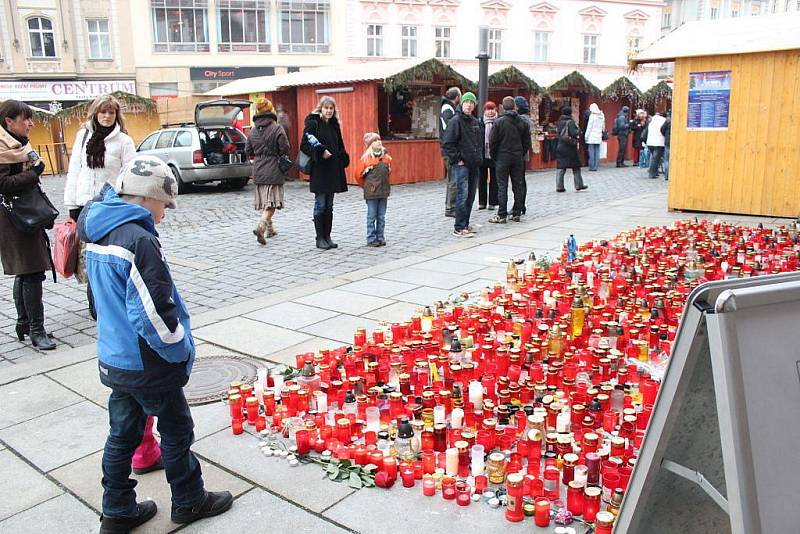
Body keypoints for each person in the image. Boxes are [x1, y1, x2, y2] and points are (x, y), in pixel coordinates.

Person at [78, 155, 233, 534]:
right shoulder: (139, 240)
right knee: (177, 429)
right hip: (149, 363)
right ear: (148, 198)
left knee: (121, 434)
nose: (165, 213)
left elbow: (98, 301)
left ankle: (116, 511)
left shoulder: (99, 229)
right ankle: (189, 499)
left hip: (115, 358)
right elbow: (153, 313)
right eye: (166, 204)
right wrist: (179, 351)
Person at [64, 94, 136, 320]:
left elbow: (130, 174)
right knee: (89, 257)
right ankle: (95, 304)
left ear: (116, 115)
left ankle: (112, 301)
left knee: (110, 254)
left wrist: (127, 205)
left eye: (111, 112)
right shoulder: (84, 136)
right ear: (96, 113)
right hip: (87, 205)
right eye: (103, 112)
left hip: (111, 206)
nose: (107, 116)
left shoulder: (123, 141)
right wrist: (72, 204)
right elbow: (75, 170)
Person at [0, 99, 56, 351]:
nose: (31, 123)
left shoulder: (19, 145)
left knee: (27, 271)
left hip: (25, 214)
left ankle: (24, 324)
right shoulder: (2, 147)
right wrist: (34, 173)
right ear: (8, 121)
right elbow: (3, 185)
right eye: (25, 119)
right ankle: (36, 330)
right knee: (32, 271)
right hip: (13, 218)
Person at [300, 96, 350, 250]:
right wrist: (320, 153)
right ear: (320, 108)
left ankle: (327, 237)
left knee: (329, 206)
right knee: (321, 204)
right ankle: (319, 238)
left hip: (333, 170)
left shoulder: (334, 125)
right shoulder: (313, 123)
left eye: (331, 108)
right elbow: (304, 145)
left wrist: (342, 156)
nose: (328, 111)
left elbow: (339, 145)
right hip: (320, 170)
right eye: (326, 108)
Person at [246, 98, 289, 245]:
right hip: (273, 170)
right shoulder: (277, 128)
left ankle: (270, 229)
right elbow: (285, 147)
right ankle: (261, 226)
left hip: (258, 170)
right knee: (271, 205)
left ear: (257, 111)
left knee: (266, 201)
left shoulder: (252, 131)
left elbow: (248, 151)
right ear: (271, 110)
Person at [442, 91, 482, 238]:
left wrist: (479, 158)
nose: (469, 105)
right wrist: (458, 159)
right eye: (466, 102)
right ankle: (459, 227)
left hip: (474, 164)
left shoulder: (474, 121)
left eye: (471, 103)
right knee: (462, 195)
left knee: (471, 196)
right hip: (462, 164)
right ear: (462, 103)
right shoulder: (455, 121)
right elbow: (447, 144)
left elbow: (478, 143)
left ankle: (465, 223)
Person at [489, 96, 531, 224]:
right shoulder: (523, 122)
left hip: (502, 157)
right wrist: (520, 153)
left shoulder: (499, 122)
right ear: (515, 106)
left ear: (503, 106)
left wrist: (494, 156)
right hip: (517, 158)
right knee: (517, 185)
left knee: (502, 186)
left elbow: (493, 142)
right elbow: (526, 143)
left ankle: (502, 214)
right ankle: (517, 213)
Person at [355, 132, 392, 247]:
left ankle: (380, 237)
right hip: (371, 192)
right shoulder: (366, 159)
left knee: (381, 216)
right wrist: (366, 187)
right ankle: (371, 238)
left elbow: (389, 173)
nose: (378, 142)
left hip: (383, 192)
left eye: (379, 140)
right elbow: (358, 175)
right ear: (370, 145)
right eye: (375, 141)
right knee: (371, 216)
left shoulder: (386, 158)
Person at [555, 106, 588, 193]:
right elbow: (574, 133)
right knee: (576, 167)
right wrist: (579, 131)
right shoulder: (570, 122)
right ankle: (579, 184)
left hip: (560, 146)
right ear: (570, 113)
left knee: (561, 167)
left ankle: (559, 186)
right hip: (570, 147)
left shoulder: (559, 122)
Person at [439, 87, 461, 218]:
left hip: (447, 148)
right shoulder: (448, 108)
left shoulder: (448, 107)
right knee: (453, 179)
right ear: (457, 97)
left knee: (452, 179)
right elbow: (450, 129)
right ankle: (450, 207)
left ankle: (450, 205)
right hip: (449, 149)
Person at [514, 96, 534, 215]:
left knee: (519, 181)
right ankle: (521, 204)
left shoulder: (521, 120)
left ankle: (520, 204)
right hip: (522, 153)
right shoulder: (527, 119)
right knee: (521, 180)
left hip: (519, 154)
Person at [479, 101, 498, 210]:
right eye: (488, 109)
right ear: (484, 111)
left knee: (494, 179)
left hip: (494, 154)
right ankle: (482, 202)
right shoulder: (480, 122)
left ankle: (492, 202)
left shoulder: (498, 122)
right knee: (482, 178)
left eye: (492, 109)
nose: (490, 111)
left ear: (496, 110)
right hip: (482, 154)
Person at [644, 111, 667, 179]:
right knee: (656, 159)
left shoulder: (651, 121)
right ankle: (652, 173)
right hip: (659, 142)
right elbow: (663, 130)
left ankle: (654, 172)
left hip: (650, 142)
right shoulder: (663, 121)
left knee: (654, 158)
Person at [584, 103, 605, 172]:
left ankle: (592, 166)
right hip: (598, 136)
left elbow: (589, 127)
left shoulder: (592, 116)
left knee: (591, 151)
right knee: (597, 151)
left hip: (591, 136)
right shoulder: (602, 115)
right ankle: (596, 165)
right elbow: (603, 127)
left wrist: (586, 136)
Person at [661, 112, 672, 180]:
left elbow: (662, 129)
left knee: (667, 160)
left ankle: (666, 175)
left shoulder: (668, 120)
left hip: (668, 142)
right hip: (676, 142)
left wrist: (665, 135)